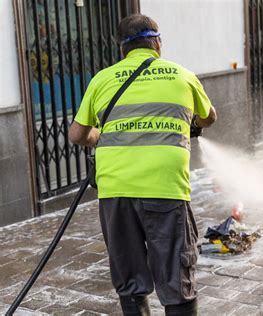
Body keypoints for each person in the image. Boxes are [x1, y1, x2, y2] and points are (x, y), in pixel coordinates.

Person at [69, 14, 216, 316]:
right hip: (165, 188)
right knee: (175, 277)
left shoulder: (102, 79)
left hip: (116, 192)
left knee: (130, 278)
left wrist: (98, 135)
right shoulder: (182, 75)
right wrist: (187, 121)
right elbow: (209, 117)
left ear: (121, 49)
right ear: (158, 43)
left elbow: (77, 134)